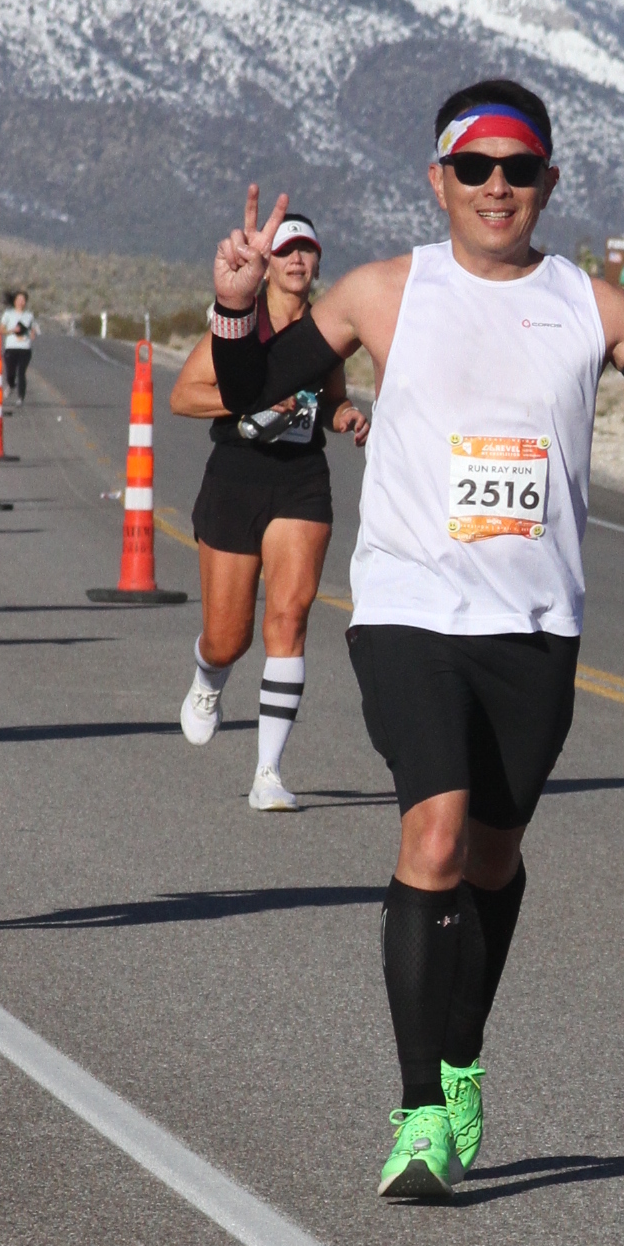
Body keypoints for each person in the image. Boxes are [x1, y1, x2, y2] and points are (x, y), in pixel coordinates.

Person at [286, 78, 624, 1199]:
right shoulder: (383, 290)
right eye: (474, 168)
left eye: (518, 169)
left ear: (549, 181)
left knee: (493, 857)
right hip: (409, 609)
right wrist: (231, 306)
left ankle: (462, 1057)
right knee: (436, 834)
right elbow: (252, 381)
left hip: (536, 624)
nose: (495, 187)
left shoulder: (588, 305)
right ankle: (419, 1114)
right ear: (438, 180)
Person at [171, 208, 366, 811]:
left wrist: (343, 414)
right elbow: (184, 396)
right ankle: (208, 677)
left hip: (300, 481)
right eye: (285, 251)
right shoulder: (241, 327)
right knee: (228, 639)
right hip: (236, 478)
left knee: (289, 617)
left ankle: (269, 773)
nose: (297, 260)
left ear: (318, 262)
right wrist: (252, 402)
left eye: (307, 250)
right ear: (268, 264)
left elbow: (329, 399)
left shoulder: (325, 331)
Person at [0, 289, 38, 406]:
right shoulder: (8, 314)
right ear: (15, 301)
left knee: (21, 372)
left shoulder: (29, 315)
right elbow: (1, 329)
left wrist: (32, 334)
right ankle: (11, 385)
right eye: (19, 299)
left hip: (25, 348)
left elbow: (33, 329)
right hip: (11, 347)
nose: (21, 302)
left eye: (23, 300)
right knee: (10, 373)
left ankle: (21, 397)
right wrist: (12, 330)